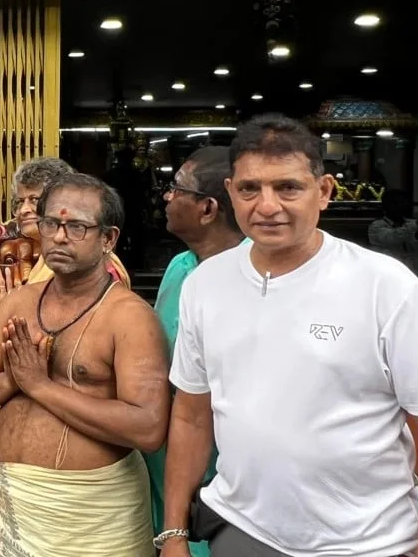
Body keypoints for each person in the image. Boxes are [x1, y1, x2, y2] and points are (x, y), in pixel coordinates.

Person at [161, 115, 418, 557]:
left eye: (287, 187)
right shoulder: (204, 284)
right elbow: (191, 416)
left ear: (324, 191)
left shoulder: (385, 287)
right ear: (230, 192)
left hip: (368, 543)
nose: (267, 205)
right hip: (242, 532)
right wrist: (173, 533)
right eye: (250, 189)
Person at [0, 173, 169, 556]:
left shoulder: (130, 317)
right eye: (51, 224)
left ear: (108, 239)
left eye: (77, 227)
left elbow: (148, 428)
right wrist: (14, 380)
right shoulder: (19, 301)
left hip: (94, 518)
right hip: (19, 507)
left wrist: (39, 385)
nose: (59, 237)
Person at [143, 147, 243, 557]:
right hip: (164, 464)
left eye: (176, 188)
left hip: (218, 481)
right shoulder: (180, 266)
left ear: (207, 208)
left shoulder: (252, 279)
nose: (167, 197)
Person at [0, 157, 131, 317]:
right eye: (19, 202)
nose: (24, 210)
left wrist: (7, 314)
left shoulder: (97, 269)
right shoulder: (42, 256)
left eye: (34, 200)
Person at [369, 189, 418, 289]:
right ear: (386, 206)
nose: (400, 206)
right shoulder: (376, 227)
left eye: (402, 203)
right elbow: (393, 238)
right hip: (393, 281)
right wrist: (417, 225)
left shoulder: (412, 224)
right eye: (395, 203)